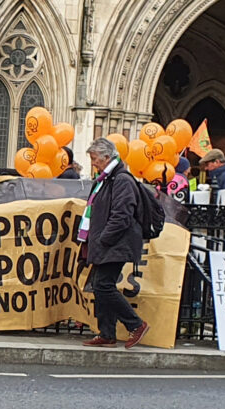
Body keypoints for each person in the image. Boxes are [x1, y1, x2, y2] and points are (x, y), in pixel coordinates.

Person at [79, 136, 149, 349]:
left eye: (94, 158)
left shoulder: (121, 180)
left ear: (107, 157)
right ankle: (107, 333)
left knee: (103, 285)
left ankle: (136, 325)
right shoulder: (106, 179)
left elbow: (122, 215)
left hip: (115, 243)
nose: (92, 163)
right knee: (100, 286)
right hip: (106, 243)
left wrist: (104, 238)